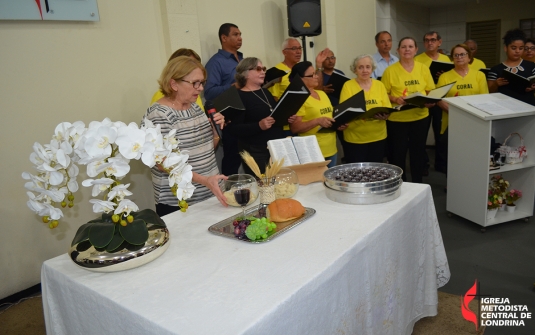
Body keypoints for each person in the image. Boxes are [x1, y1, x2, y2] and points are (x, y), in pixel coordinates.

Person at [142, 56, 228, 216]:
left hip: (210, 192)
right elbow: (163, 164)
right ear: (174, 84)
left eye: (202, 82)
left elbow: (206, 149)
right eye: (195, 83)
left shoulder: (194, 107)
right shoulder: (158, 114)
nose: (200, 88)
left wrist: (216, 132)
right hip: (179, 202)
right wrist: (204, 180)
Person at [226, 57, 295, 175]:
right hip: (256, 151)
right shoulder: (238, 97)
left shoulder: (265, 92)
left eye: (263, 68)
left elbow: (272, 116)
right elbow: (234, 128)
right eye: (258, 69)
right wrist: (258, 126)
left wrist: (285, 118)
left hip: (276, 147)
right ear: (245, 73)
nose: (263, 72)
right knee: (264, 187)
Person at [381, 37, 435, 183]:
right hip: (398, 119)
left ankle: (417, 183)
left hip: (420, 117)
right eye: (403, 47)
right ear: (398, 51)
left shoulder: (423, 68)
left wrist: (430, 101)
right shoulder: (390, 71)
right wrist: (395, 99)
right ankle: (401, 183)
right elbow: (383, 93)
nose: (407, 50)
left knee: (418, 153)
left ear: (416, 50)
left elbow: (430, 90)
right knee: (398, 154)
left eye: (410, 46)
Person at [435, 44, 489, 174]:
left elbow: (485, 99)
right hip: (452, 122)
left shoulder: (479, 75)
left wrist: (469, 114)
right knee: (453, 155)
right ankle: (452, 184)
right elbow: (438, 99)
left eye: (463, 54)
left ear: (469, 57)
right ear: (452, 58)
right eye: (456, 55)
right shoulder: (445, 77)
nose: (459, 58)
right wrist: (458, 113)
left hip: (475, 121)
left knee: (473, 153)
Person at [289, 61, 347, 168]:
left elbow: (330, 116)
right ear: (300, 79)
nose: (316, 77)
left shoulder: (322, 93)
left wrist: (338, 123)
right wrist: (317, 121)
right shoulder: (298, 98)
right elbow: (295, 128)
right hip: (312, 152)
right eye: (312, 75)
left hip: (331, 148)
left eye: (316, 73)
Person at [204, 23, 244, 176]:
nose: (240, 38)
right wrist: (233, 86)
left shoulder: (242, 59)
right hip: (230, 118)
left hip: (246, 116)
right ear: (224, 38)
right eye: (235, 34)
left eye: (240, 34)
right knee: (232, 159)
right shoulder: (216, 62)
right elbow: (209, 92)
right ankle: (228, 191)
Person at [339, 55, 391, 163]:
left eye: (368, 67)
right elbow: (344, 111)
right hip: (355, 138)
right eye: (360, 67)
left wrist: (385, 115)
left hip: (378, 136)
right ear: (355, 70)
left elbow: (387, 108)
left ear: (372, 69)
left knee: (376, 172)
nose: (365, 70)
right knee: (357, 174)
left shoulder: (380, 85)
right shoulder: (348, 86)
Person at [414, 31, 452, 176]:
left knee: (440, 134)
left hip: (441, 100)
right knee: (421, 135)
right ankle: (422, 164)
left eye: (433, 40)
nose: (430, 43)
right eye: (427, 40)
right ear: (424, 43)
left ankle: (440, 163)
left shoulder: (446, 59)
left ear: (439, 42)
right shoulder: (417, 60)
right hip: (423, 101)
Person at [488, 29, 535, 106]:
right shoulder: (495, 70)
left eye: (521, 48)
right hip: (505, 108)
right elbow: (489, 92)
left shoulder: (532, 66)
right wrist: (496, 84)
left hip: (529, 107)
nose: (517, 51)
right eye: (513, 48)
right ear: (505, 48)